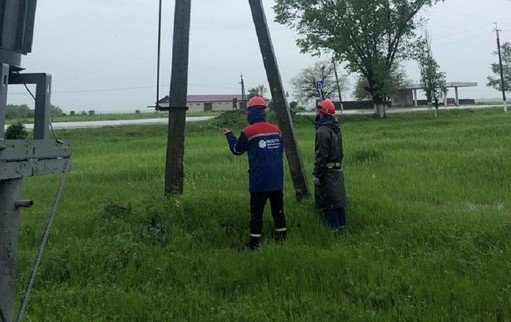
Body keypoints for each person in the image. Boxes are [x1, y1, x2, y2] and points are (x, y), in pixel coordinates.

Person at [222, 96, 287, 249]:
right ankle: (282, 240)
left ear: (251, 112)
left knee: (256, 213)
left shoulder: (248, 132)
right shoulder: (276, 130)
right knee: (278, 210)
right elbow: (280, 151)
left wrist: (229, 135)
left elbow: (237, 150)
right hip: (277, 180)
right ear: (263, 111)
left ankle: (254, 245)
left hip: (259, 181)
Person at [313, 99, 347, 231]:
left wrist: (317, 174)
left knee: (330, 202)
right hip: (337, 170)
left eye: (317, 111)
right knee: (339, 201)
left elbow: (321, 155)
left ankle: (334, 230)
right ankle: (342, 227)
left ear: (322, 113)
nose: (316, 113)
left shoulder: (322, 131)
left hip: (327, 172)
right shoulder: (336, 128)